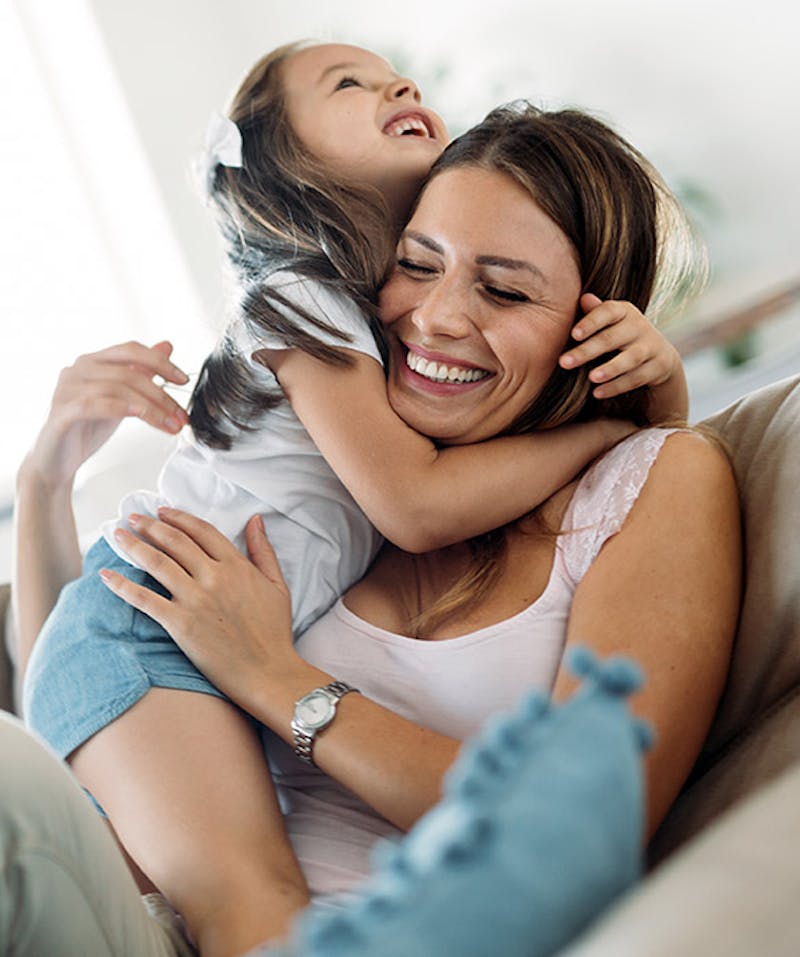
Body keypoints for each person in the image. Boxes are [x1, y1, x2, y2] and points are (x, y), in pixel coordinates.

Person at [8, 95, 740, 956]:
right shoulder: (355, 496)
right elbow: (95, 694)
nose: (435, 318)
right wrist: (43, 479)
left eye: (503, 289)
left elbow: (581, 821)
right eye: (416, 264)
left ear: (600, 327)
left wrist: (276, 677)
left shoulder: (654, 479)